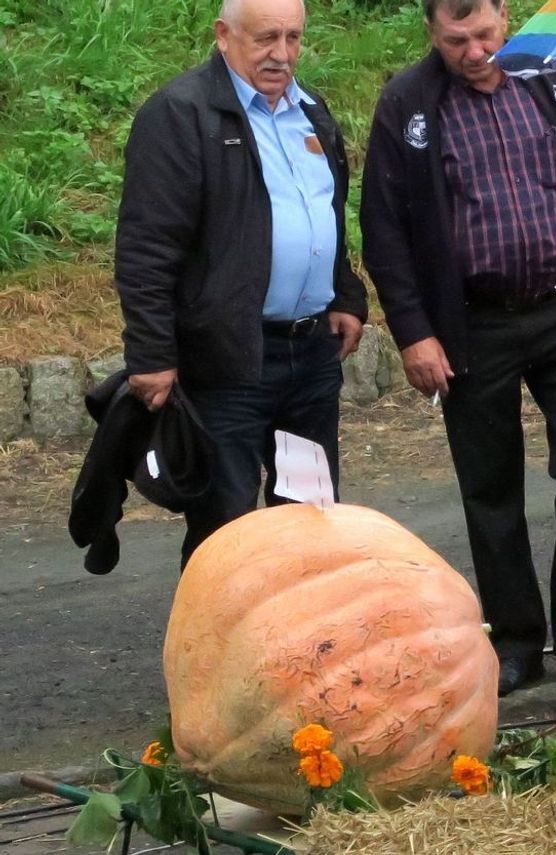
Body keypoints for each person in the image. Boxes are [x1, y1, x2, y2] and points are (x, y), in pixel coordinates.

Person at [359, 0, 556, 697]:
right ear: (432, 33)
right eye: (457, 39)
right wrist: (413, 331)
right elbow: (384, 228)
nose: (474, 50)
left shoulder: (553, 79)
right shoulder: (408, 103)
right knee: (491, 487)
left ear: (507, 16)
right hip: (470, 323)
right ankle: (516, 636)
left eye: (487, 34)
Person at [115, 0, 367, 568]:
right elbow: (147, 246)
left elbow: (326, 213)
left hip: (307, 360)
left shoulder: (312, 113)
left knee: (310, 517)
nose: (282, 54)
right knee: (227, 529)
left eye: (294, 38)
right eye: (266, 38)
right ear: (223, 36)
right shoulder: (181, 114)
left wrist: (345, 293)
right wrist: (151, 352)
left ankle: (304, 650)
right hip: (227, 362)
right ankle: (215, 655)